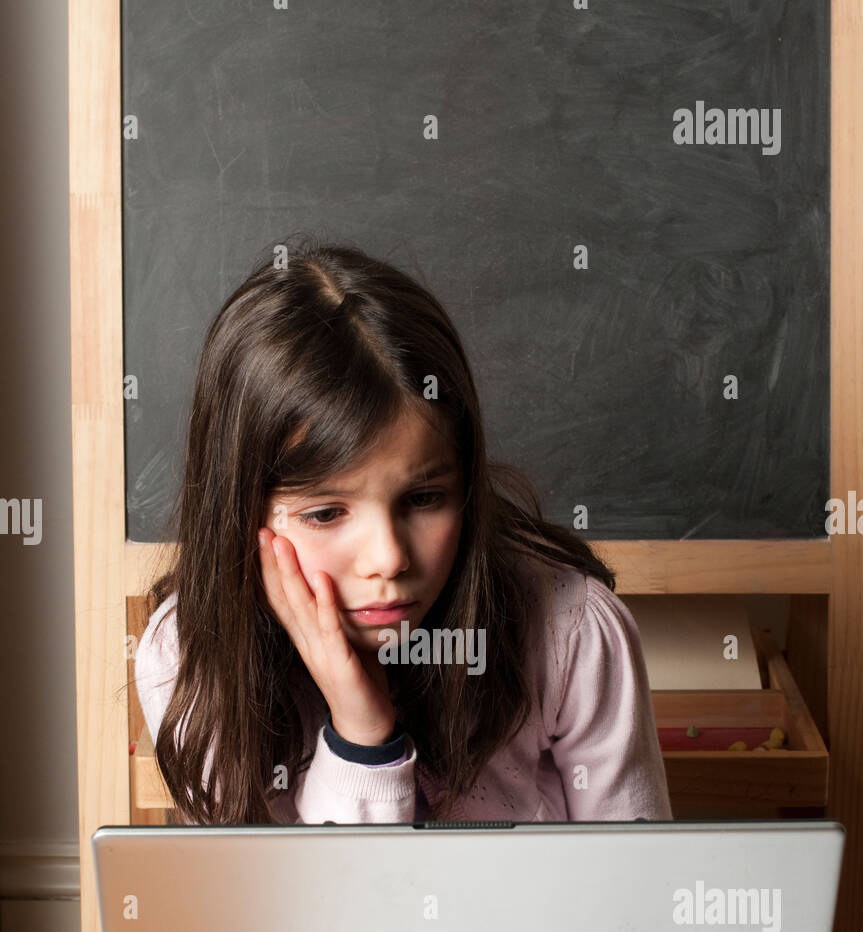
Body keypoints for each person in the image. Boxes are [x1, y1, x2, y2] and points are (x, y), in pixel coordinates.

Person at [135, 237, 672, 825]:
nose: (389, 559)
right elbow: (297, 911)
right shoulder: (188, 655)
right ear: (243, 512)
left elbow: (632, 891)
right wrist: (362, 736)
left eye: (423, 499)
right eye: (326, 513)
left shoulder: (572, 631)